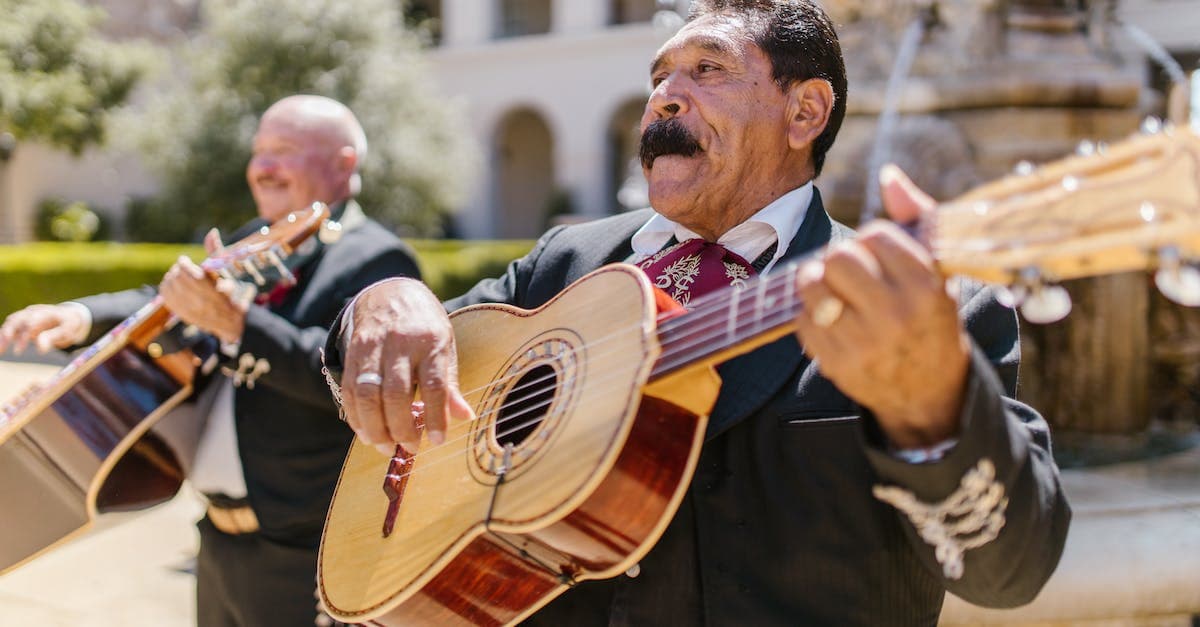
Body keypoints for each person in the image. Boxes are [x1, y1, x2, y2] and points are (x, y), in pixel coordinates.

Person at [323, 1, 1071, 625]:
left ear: (805, 110)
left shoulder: (932, 307)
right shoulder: (565, 263)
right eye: (658, 78)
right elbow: (416, 352)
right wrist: (382, 301)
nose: (664, 97)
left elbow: (1011, 571)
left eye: (707, 69)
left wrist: (933, 406)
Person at [0, 95, 421, 626]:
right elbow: (169, 301)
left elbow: (349, 381)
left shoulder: (378, 257)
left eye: (283, 151)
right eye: (259, 152)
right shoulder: (259, 237)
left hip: (302, 551)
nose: (263, 168)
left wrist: (238, 326)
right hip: (218, 540)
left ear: (344, 164)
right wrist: (80, 316)